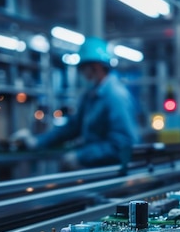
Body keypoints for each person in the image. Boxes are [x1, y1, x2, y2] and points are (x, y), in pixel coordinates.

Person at [12, 37, 140, 171]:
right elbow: (73, 127)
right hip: (96, 171)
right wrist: (37, 141)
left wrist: (81, 156)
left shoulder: (115, 96)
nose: (82, 74)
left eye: (83, 69)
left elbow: (123, 144)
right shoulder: (91, 95)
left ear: (96, 67)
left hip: (112, 175)